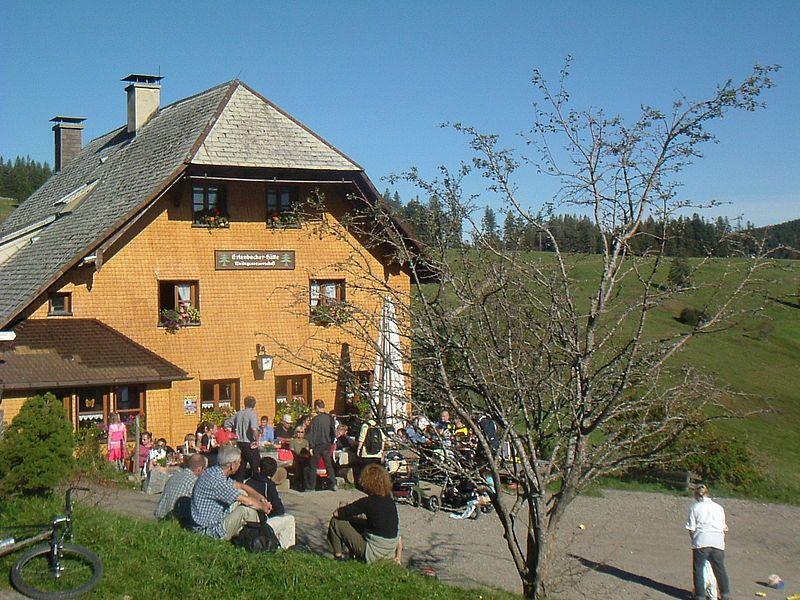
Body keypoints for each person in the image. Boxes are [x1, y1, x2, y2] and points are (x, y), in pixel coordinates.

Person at [190, 445, 272, 540]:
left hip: (212, 517)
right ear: (232, 465)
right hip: (209, 530)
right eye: (239, 463)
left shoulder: (214, 471)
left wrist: (260, 497)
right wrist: (263, 507)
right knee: (246, 511)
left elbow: (240, 486)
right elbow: (247, 501)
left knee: (242, 492)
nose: (240, 465)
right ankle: (260, 537)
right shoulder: (217, 482)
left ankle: (253, 531)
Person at [327, 464, 400, 563]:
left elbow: (337, 513)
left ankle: (338, 557)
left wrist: (344, 507)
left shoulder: (367, 502)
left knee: (336, 522)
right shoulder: (390, 502)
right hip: (388, 552)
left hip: (373, 553)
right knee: (359, 522)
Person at [686, 484, 731, 600]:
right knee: (720, 569)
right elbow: (723, 527)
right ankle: (725, 595)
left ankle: (700, 595)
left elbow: (691, 528)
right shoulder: (719, 507)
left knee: (699, 569)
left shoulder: (695, 507)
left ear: (696, 495)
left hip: (701, 540)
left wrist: (694, 541)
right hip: (718, 541)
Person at [246, 457, 296, 549]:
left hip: (247, 519)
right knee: (290, 518)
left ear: (259, 468)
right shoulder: (268, 485)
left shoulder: (248, 481)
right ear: (273, 472)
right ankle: (285, 547)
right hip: (262, 522)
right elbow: (280, 510)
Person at [155, 453, 208, 523]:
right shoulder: (195, 482)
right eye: (204, 469)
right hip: (175, 520)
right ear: (199, 469)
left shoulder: (175, 476)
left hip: (160, 515)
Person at [305, 400, 337, 492]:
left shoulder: (315, 420)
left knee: (313, 466)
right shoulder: (329, 418)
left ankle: (311, 487)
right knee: (329, 465)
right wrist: (330, 442)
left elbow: (311, 434)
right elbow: (333, 432)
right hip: (327, 445)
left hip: (317, 446)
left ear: (317, 407)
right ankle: (333, 484)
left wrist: (311, 446)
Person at [233, 396, 260, 482]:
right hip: (249, 443)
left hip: (240, 443)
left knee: (241, 468)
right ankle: (257, 486)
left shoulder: (238, 414)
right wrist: (257, 440)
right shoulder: (252, 414)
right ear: (254, 404)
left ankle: (239, 487)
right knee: (256, 467)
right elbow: (254, 429)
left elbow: (228, 424)